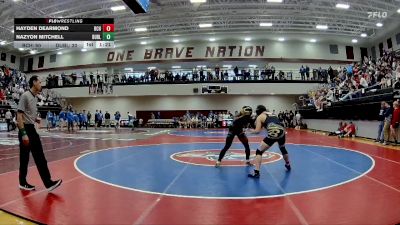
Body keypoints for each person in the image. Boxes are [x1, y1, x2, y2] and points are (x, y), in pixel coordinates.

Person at [17, 75, 62, 191]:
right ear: (34, 82)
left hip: (31, 128)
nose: (41, 84)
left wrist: (34, 119)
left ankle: (48, 183)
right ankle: (22, 182)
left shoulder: (35, 97)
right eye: (39, 82)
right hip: (26, 130)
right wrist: (23, 133)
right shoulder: (25, 96)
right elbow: (19, 116)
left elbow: (27, 113)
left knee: (40, 157)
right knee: (24, 158)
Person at [248, 105, 291, 178]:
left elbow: (257, 131)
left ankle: (256, 172)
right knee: (282, 148)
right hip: (282, 130)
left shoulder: (260, 116)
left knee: (259, 151)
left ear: (258, 111)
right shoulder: (272, 113)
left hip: (274, 131)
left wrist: (249, 131)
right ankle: (288, 164)